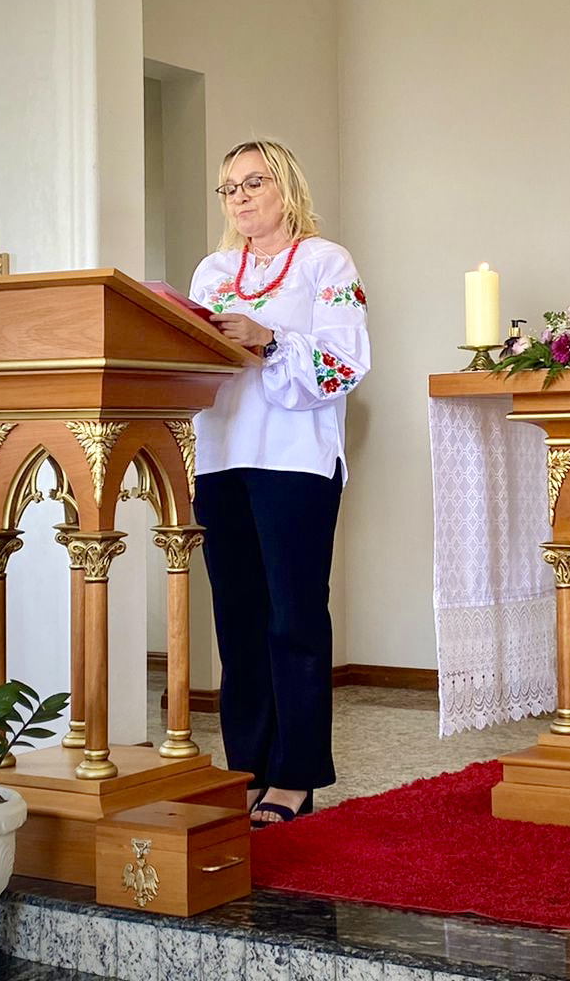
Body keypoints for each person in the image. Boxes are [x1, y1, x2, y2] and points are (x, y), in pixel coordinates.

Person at [189, 139, 370, 827]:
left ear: (286, 188)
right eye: (229, 187)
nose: (238, 197)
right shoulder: (213, 272)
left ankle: (294, 777)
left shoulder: (326, 262)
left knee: (293, 617)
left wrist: (267, 340)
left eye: (253, 182)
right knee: (236, 619)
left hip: (296, 460)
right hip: (220, 456)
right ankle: (248, 766)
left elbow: (345, 365)